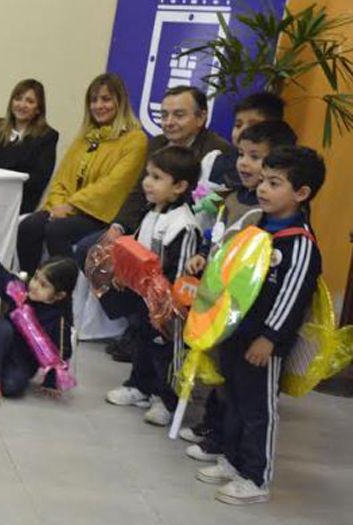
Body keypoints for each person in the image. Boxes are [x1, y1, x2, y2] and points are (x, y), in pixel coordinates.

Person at [196, 146, 325, 505]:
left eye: (274, 183)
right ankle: (232, 459)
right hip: (236, 332)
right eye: (264, 181)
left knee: (258, 409)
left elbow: (292, 297)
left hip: (263, 344)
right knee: (233, 399)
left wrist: (269, 338)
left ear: (301, 193)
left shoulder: (299, 244)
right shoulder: (259, 226)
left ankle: (255, 477)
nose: (263, 189)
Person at [80, 85, 233, 364]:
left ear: (201, 117)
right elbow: (139, 193)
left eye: (179, 115)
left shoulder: (218, 154)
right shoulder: (158, 144)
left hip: (189, 236)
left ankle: (153, 329)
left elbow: (215, 210)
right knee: (92, 250)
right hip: (150, 222)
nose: (169, 122)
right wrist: (118, 227)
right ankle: (132, 321)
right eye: (164, 115)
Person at [181, 120, 297, 463]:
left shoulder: (272, 220)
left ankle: (236, 453)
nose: (244, 163)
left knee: (245, 392)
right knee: (223, 373)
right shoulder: (230, 198)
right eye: (241, 154)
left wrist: (270, 334)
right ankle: (216, 433)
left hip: (249, 314)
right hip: (221, 302)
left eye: (255, 157)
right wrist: (204, 255)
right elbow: (218, 238)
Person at [103, 146, 201, 426]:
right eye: (148, 175)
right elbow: (138, 250)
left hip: (166, 307)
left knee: (165, 352)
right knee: (142, 341)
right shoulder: (150, 212)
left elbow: (181, 275)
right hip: (142, 297)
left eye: (157, 178)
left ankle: (166, 399)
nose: (147, 182)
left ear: (179, 186)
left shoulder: (184, 225)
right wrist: (125, 274)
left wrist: (167, 307)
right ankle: (140, 386)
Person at [16, 73, 147, 275]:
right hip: (68, 208)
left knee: (57, 231)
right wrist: (57, 206)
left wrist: (70, 207)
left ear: (119, 102)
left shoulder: (135, 139)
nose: (98, 106)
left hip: (100, 213)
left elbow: (113, 185)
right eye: (93, 100)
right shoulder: (86, 137)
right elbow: (61, 178)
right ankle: (29, 285)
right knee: (29, 226)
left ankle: (64, 288)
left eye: (106, 99)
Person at [0, 248, 76, 403]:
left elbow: (60, 354)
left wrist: (51, 382)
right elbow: (0, 276)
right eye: (36, 278)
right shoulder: (20, 292)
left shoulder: (59, 320)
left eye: (43, 285)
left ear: (59, 295)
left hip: (23, 363)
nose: (34, 285)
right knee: (0, 329)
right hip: (0, 346)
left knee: (12, 386)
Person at [0, 78, 58, 214]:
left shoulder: (47, 137)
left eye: (29, 101)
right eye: (18, 99)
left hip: (16, 202)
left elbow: (39, 179)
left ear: (38, 109)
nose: (22, 105)